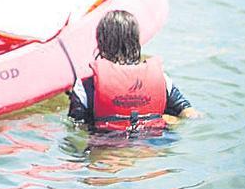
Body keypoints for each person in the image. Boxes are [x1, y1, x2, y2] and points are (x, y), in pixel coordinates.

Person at [67, 9, 199, 134]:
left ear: (100, 41)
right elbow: (191, 114)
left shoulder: (85, 86)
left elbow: (77, 128)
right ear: (136, 41)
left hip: (108, 148)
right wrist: (168, 120)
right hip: (155, 145)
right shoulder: (161, 79)